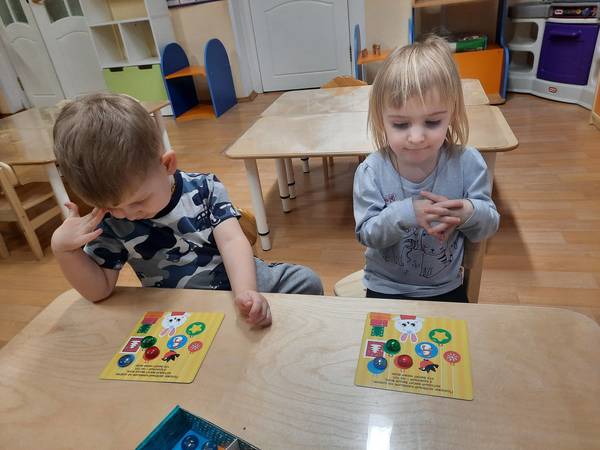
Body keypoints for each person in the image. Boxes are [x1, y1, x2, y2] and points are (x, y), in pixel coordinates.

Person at [51, 93, 323, 327]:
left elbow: (232, 241)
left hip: (239, 280)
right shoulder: (110, 221)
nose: (127, 214)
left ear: (167, 165)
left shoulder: (204, 188)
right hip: (176, 306)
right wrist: (65, 251)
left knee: (307, 281)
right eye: (112, 207)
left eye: (138, 201)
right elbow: (99, 291)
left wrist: (246, 292)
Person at [353, 36, 499, 302]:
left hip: (445, 286)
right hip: (385, 287)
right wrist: (407, 213)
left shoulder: (467, 163)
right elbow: (367, 234)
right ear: (381, 120)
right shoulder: (371, 171)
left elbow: (488, 226)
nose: (417, 137)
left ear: (452, 114)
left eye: (432, 122)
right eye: (400, 124)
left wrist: (468, 212)